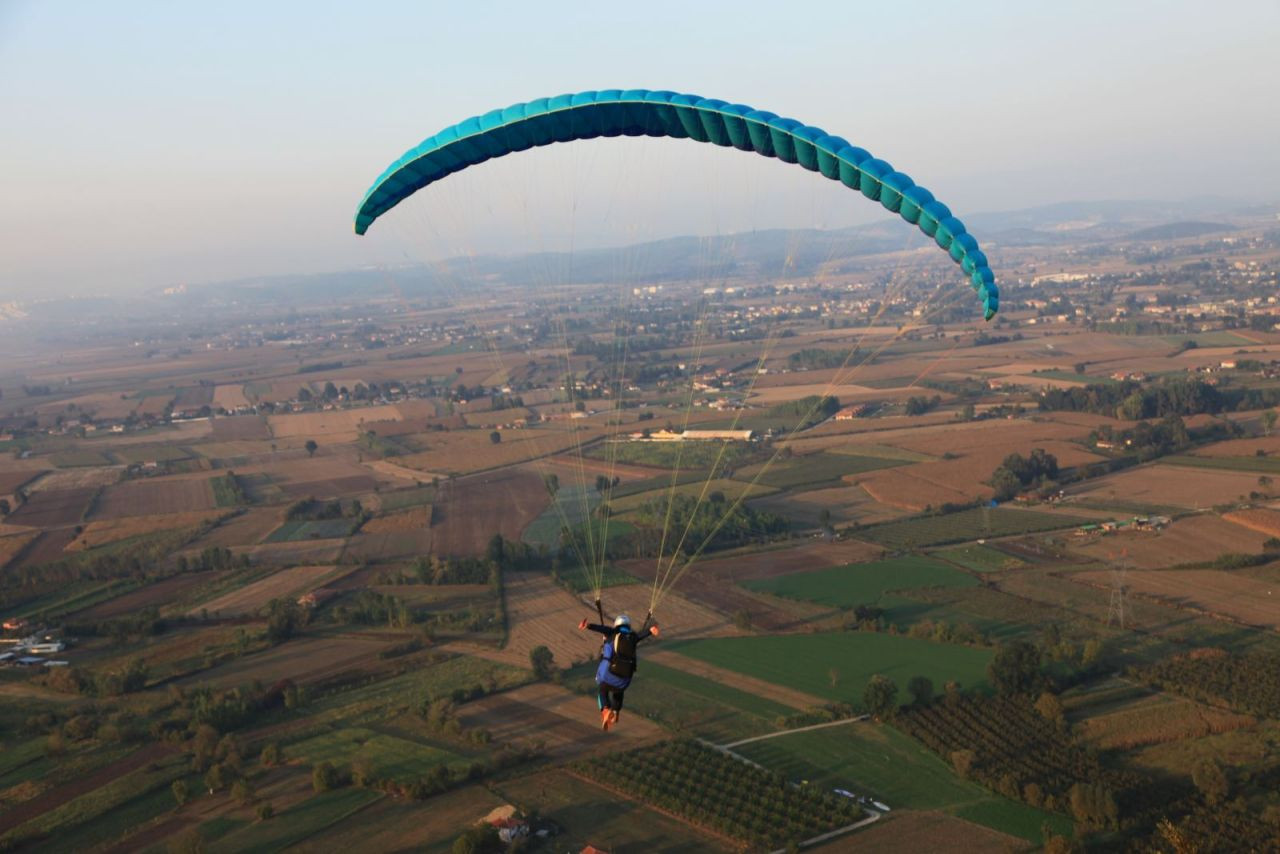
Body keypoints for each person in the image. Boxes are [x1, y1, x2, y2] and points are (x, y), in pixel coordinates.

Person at [578, 612, 659, 730]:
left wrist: (588, 626)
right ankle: (616, 712)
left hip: (608, 675)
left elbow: (601, 628)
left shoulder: (612, 632)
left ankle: (606, 710)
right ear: (628, 626)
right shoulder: (633, 637)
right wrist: (651, 630)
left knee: (602, 690)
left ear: (616, 625)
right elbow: (643, 634)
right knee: (618, 691)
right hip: (624, 681)